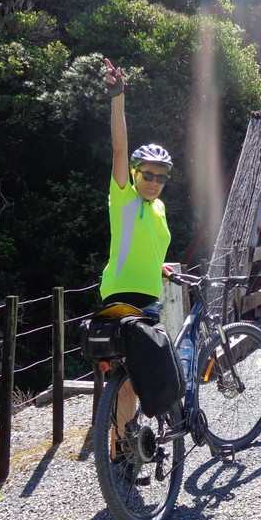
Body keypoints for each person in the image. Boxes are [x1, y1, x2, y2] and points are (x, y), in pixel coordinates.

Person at [99, 57, 175, 461]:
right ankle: (121, 452)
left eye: (161, 177)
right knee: (129, 378)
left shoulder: (159, 210)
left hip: (149, 296)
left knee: (131, 379)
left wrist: (160, 266)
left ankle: (125, 446)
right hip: (121, 296)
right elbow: (118, 147)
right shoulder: (123, 196)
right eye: (148, 174)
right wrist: (117, 98)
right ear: (135, 173)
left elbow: (150, 245)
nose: (154, 182)